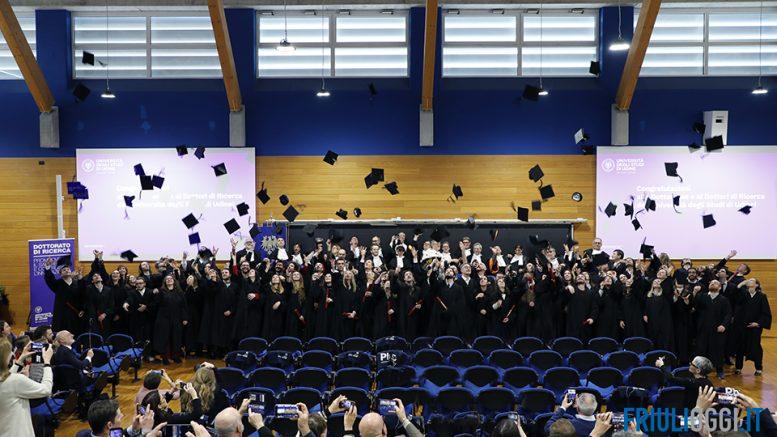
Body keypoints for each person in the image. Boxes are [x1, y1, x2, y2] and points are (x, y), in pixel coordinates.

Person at [0, 338, 54, 437]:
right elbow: (46, 390)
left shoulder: (8, 379)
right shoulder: (16, 380)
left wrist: (20, 360)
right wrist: (47, 363)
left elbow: (5, 378)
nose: (12, 354)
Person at [732, 278, 772, 376]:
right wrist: (742, 283)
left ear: (757, 285)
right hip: (742, 326)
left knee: (756, 347)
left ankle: (758, 368)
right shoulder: (743, 294)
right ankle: (738, 368)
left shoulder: (762, 296)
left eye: (752, 281)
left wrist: (758, 323)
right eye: (748, 281)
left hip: (755, 327)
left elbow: (765, 312)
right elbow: (734, 295)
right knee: (740, 346)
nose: (749, 281)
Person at [693, 280, 732, 379]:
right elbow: (694, 307)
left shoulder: (724, 300)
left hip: (717, 329)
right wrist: (695, 292)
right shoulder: (701, 296)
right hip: (703, 329)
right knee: (701, 350)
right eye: (711, 283)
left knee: (717, 350)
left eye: (715, 283)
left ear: (719, 287)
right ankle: (700, 371)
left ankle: (719, 370)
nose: (712, 284)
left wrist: (723, 325)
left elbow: (728, 314)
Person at [153, 273, 189, 364]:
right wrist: (155, 294)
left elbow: (184, 306)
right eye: (167, 279)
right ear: (165, 282)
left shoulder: (180, 292)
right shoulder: (161, 291)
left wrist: (185, 318)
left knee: (176, 337)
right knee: (164, 338)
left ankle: (176, 356)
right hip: (164, 318)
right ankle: (165, 357)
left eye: (170, 278)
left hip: (177, 318)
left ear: (174, 281)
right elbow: (156, 304)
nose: (169, 280)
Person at [43, 257, 84, 333]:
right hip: (62, 314)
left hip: (75, 314)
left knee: (75, 334)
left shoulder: (77, 284)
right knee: (62, 334)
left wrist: (82, 309)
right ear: (60, 274)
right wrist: (48, 267)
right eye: (64, 270)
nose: (67, 270)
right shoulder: (57, 284)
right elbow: (50, 279)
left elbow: (82, 297)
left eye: (68, 269)